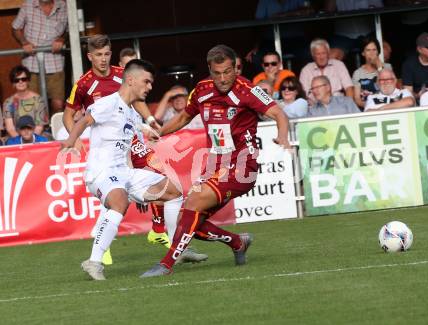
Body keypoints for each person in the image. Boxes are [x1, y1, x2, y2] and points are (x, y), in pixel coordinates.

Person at [140, 44, 291, 277]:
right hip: (215, 166)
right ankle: (237, 242)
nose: (222, 78)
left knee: (193, 204)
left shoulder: (247, 90)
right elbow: (183, 117)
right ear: (209, 70)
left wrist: (282, 136)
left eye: (227, 71)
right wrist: (160, 133)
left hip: (242, 166)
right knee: (188, 221)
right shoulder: (201, 90)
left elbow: (278, 113)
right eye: (217, 73)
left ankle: (166, 264)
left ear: (236, 68)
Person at [61, 60, 185, 281]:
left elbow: (134, 138)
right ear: (130, 80)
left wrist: (150, 132)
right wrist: (71, 141)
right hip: (100, 172)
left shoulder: (131, 113)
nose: (149, 87)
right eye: (146, 82)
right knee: (119, 203)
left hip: (123, 172)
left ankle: (177, 249)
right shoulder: (108, 103)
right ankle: (94, 261)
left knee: (173, 191)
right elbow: (83, 121)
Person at [12, 0, 68, 115]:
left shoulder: (63, 6)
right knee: (32, 105)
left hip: (55, 62)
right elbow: (15, 28)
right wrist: (24, 42)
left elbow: (71, 28)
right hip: (31, 63)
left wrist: (62, 39)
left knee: (58, 105)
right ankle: (36, 132)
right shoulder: (28, 5)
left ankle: (55, 131)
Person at [300, 38, 354, 103]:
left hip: (339, 105)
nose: (321, 57)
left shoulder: (339, 65)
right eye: (318, 54)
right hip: (315, 107)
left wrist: (349, 106)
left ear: (328, 53)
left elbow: (349, 88)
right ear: (313, 55)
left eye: (323, 53)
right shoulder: (306, 70)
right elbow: (303, 95)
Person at [3, 65, 48, 138]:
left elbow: (39, 126)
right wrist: (20, 142)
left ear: (28, 80)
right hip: (16, 139)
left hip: (37, 137)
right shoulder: (8, 102)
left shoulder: (38, 100)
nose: (20, 82)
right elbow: (10, 128)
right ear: (13, 83)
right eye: (16, 80)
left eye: (23, 79)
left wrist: (31, 141)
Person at [352, 37, 392, 109]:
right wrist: (371, 106)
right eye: (368, 50)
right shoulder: (358, 73)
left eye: (374, 50)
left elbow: (388, 89)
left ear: (378, 52)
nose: (372, 53)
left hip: (386, 107)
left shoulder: (387, 67)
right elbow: (357, 99)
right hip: (368, 109)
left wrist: (379, 67)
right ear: (363, 53)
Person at [402, 32, 428, 101]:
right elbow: (408, 92)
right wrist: (418, 95)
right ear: (419, 49)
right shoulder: (409, 64)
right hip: (418, 102)